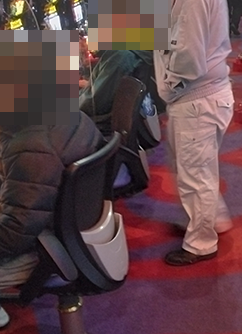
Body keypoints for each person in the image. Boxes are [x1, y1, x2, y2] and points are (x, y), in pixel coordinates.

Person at [0, 112, 104, 328]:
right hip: (69, 229)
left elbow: (16, 232)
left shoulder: (30, 145)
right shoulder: (67, 113)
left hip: (46, 248)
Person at [155, 0, 235, 266]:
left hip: (196, 98)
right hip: (196, 97)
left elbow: (188, 59)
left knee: (195, 176)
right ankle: (214, 218)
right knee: (194, 169)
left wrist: (168, 86)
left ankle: (201, 243)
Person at [79, 50, 164, 135]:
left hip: (101, 124)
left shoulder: (119, 58)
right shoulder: (131, 52)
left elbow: (93, 103)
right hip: (110, 119)